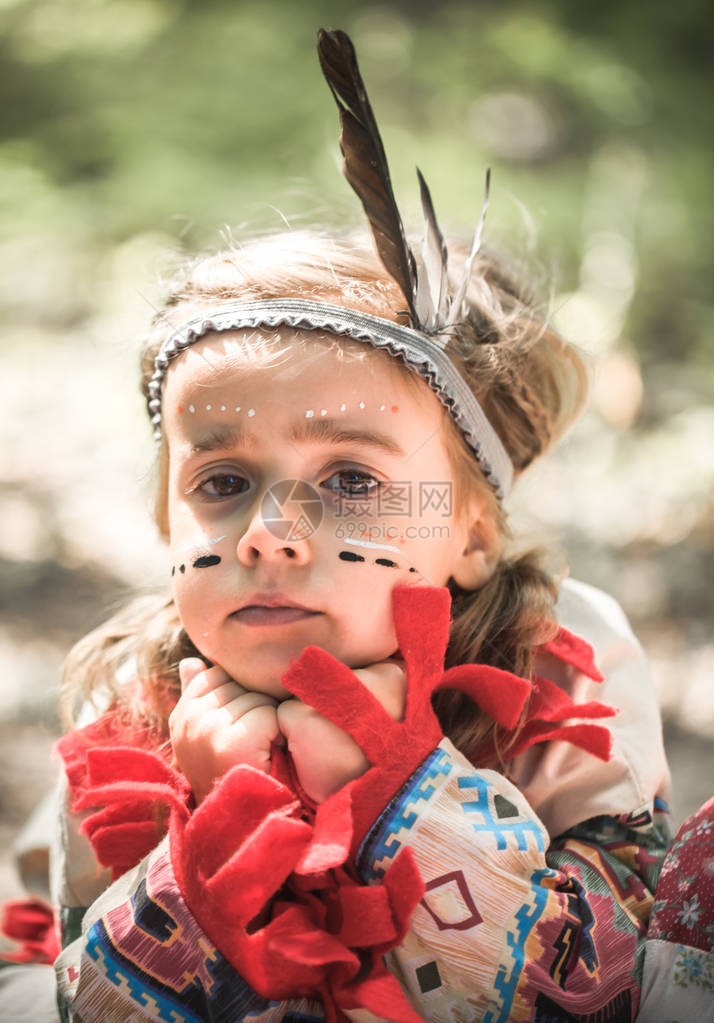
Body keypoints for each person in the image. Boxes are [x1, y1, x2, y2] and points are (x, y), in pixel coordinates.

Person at [5, 27, 710, 1023]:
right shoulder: (133, 701)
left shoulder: (563, 669)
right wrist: (209, 839)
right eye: (222, 484)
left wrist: (405, 797)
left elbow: (606, 995)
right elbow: (55, 982)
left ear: (470, 533)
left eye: (346, 478)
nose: (267, 534)